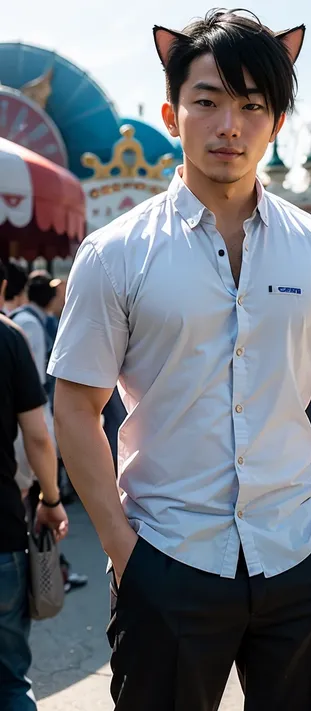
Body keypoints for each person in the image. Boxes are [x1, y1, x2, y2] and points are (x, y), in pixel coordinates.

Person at [49, 10, 311, 711]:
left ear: (277, 122)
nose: (229, 124)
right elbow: (75, 407)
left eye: (252, 104)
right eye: (208, 100)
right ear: (173, 113)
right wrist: (121, 546)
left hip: (302, 557)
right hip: (167, 558)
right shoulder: (115, 255)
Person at [0, 259, 69, 710]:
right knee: (9, 682)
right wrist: (51, 498)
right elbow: (39, 435)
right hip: (1, 531)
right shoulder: (9, 338)